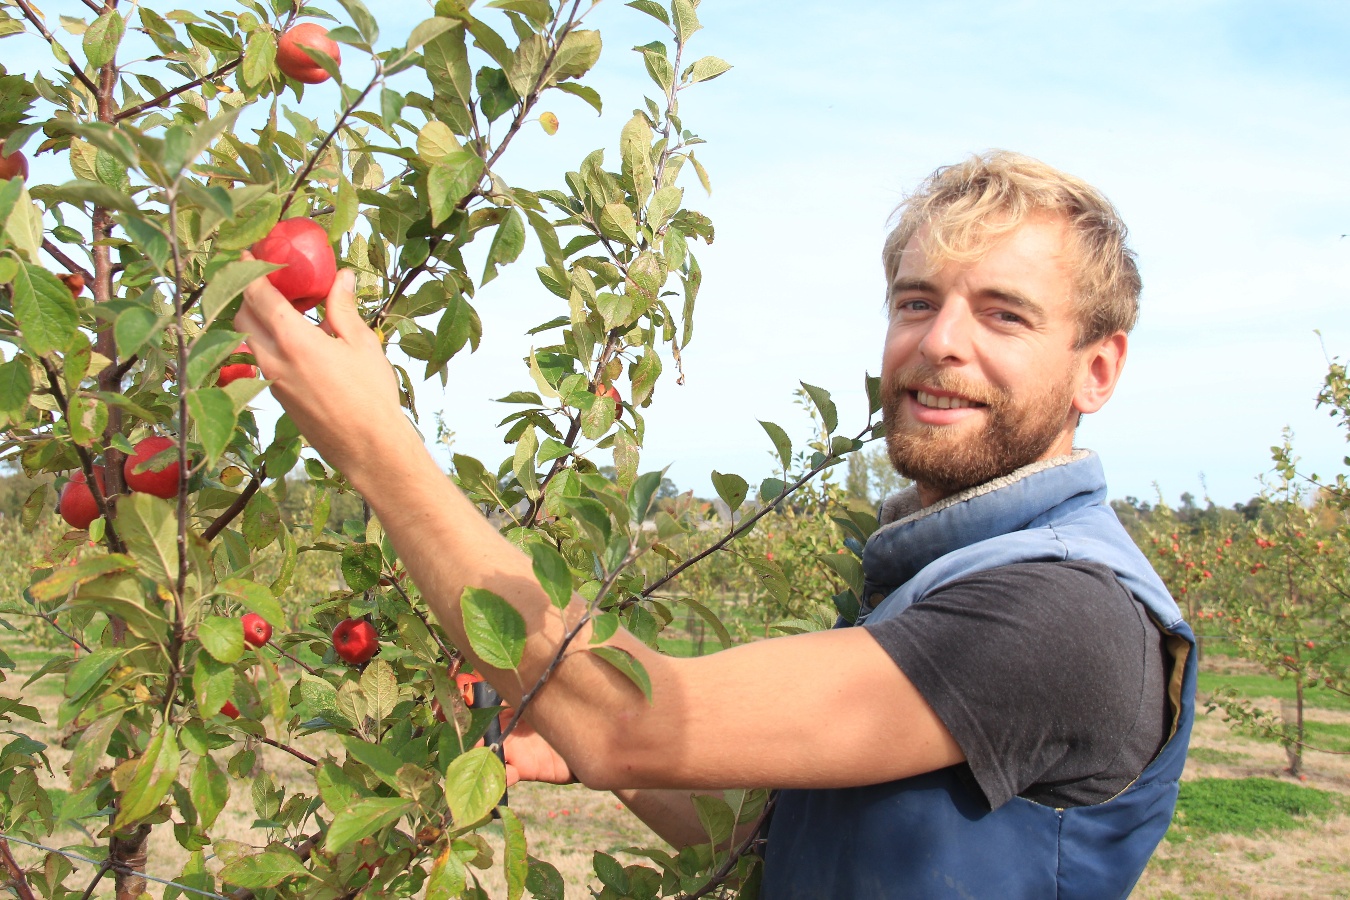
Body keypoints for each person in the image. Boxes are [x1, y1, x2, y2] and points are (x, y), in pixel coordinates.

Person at [237, 150, 1196, 898]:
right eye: (916, 301)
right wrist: (588, 745)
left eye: (1005, 315)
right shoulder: (940, 576)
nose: (940, 339)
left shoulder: (1059, 612)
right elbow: (779, 828)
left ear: (1096, 371)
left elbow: (635, 721)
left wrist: (373, 443)